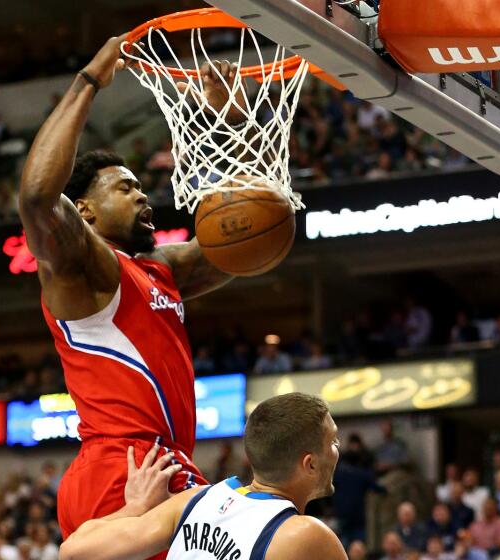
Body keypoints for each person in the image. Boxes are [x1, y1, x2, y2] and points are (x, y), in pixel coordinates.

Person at [19, 35, 250, 543]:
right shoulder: (82, 266)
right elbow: (37, 196)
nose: (142, 193)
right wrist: (90, 81)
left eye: (140, 185)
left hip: (164, 465)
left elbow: (248, 240)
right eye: (124, 188)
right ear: (85, 212)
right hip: (119, 469)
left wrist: (228, 126)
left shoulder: (162, 266)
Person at [59, 393, 347, 560]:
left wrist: (135, 508)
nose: (338, 448)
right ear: (308, 464)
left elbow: (72, 551)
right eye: (332, 441)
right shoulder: (308, 536)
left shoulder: (196, 501)